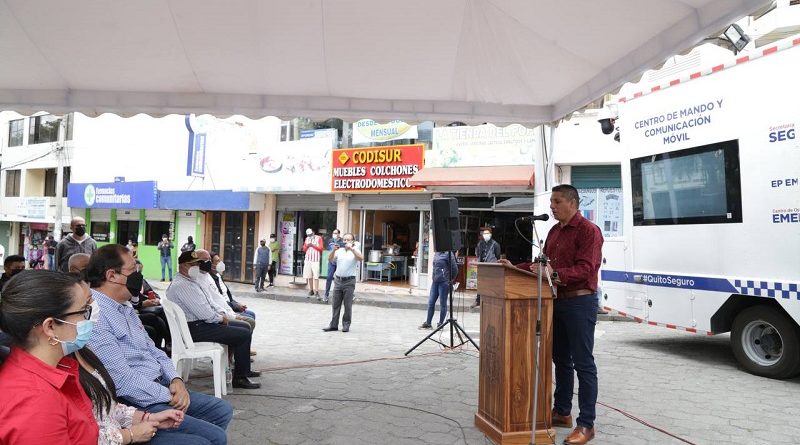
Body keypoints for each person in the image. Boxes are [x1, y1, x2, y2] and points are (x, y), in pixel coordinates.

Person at [86, 244, 233, 444]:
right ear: (112, 275)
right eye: (133, 270)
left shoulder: (124, 306)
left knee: (221, 410)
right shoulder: (97, 315)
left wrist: (176, 379)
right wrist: (170, 395)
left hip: (161, 385)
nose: (138, 275)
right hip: (136, 399)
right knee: (213, 437)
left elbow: (153, 350)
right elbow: (122, 381)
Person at [0, 270, 100, 443]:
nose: (89, 319)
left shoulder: (51, 369)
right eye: (84, 311)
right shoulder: (35, 401)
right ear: (50, 327)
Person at [544, 185, 603, 445]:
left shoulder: (589, 230)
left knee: (583, 363)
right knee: (561, 360)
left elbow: (587, 268)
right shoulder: (554, 231)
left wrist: (556, 275)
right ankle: (562, 411)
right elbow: (544, 265)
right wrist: (515, 266)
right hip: (557, 302)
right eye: (551, 201)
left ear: (572, 202)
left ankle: (586, 424)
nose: (552, 206)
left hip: (580, 302)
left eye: (557, 201)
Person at [166, 250, 261, 389]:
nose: (196, 267)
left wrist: (223, 314)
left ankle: (242, 371)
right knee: (244, 334)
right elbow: (204, 313)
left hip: (199, 324)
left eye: (197, 264)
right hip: (195, 328)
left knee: (244, 327)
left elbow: (210, 303)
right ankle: (240, 378)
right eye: (192, 264)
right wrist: (221, 319)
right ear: (183, 266)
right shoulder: (182, 285)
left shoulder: (191, 281)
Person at [75, 347, 184, 445]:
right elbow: (80, 437)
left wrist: (149, 418)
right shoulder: (67, 374)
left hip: (122, 433)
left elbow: (106, 408)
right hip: (122, 436)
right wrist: (130, 435)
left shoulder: (83, 352)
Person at [323, 233, 363, 333]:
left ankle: (346, 324)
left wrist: (352, 249)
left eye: (348, 240)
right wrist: (333, 250)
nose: (346, 242)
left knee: (347, 305)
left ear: (353, 241)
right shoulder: (339, 250)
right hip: (338, 280)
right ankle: (333, 325)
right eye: (344, 240)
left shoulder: (355, 250)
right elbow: (330, 259)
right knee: (335, 304)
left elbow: (361, 258)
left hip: (349, 281)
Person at [211, 253, 257, 320]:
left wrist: (237, 303)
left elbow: (228, 296)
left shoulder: (219, 276)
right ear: (211, 264)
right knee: (250, 318)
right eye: (217, 261)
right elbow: (220, 301)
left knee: (252, 314)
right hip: (225, 309)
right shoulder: (211, 279)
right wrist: (236, 306)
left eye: (219, 260)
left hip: (230, 305)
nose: (220, 263)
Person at [419, 250, 458, 329]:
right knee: (431, 302)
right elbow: (435, 267)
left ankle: (440, 324)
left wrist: (449, 279)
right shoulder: (436, 253)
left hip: (444, 282)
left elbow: (455, 269)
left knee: (443, 304)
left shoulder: (448, 253)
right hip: (435, 282)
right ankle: (428, 323)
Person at [471, 227, 501, 308]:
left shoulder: (495, 244)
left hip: (491, 267)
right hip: (482, 266)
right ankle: (478, 300)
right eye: (484, 233)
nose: (485, 235)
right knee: (480, 283)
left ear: (491, 234)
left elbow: (498, 256)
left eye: (487, 233)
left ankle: (491, 300)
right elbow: (478, 254)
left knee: (491, 283)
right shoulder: (480, 244)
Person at [321, 229, 344, 303]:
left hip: (340, 262)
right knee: (329, 278)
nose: (334, 234)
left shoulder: (342, 241)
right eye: (333, 233)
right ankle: (326, 295)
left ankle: (343, 295)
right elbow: (327, 249)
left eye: (336, 233)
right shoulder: (330, 240)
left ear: (339, 234)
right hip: (331, 262)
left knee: (341, 278)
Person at [302, 228, 324, 297]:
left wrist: (313, 245)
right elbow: (304, 249)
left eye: (311, 234)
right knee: (309, 276)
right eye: (308, 235)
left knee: (316, 276)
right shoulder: (307, 239)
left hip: (315, 260)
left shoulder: (319, 238)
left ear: (313, 232)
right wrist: (307, 246)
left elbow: (321, 248)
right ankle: (311, 290)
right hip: (308, 259)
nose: (310, 236)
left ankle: (316, 291)